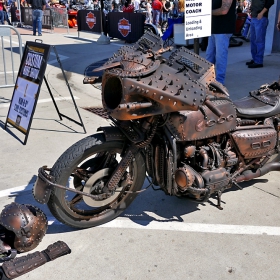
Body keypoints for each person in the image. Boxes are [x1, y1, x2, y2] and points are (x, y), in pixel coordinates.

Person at [206, 0, 236, 86]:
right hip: (214, 28)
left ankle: (219, 82)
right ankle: (208, 78)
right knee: (209, 55)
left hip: (223, 29)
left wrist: (207, 12)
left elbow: (224, 10)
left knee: (220, 56)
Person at [246, 0, 274, 68]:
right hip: (254, 17)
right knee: (253, 40)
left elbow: (270, 1)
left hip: (261, 18)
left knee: (259, 41)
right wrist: (251, 9)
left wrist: (262, 13)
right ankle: (255, 58)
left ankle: (259, 61)